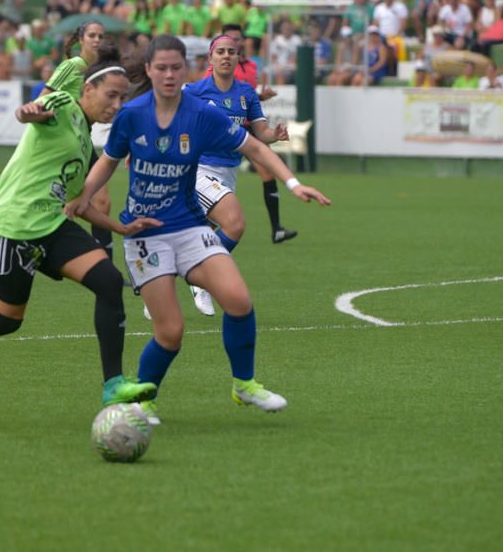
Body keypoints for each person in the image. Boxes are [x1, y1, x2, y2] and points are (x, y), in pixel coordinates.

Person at [65, 35, 331, 425]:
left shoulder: (201, 114)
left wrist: (293, 184)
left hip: (190, 227)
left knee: (238, 300)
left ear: (186, 71)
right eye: (162, 68)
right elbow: (107, 161)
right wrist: (82, 197)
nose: (170, 75)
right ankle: (144, 402)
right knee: (170, 333)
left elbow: (255, 149)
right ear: (150, 71)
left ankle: (244, 384)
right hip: (145, 233)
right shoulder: (132, 114)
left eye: (176, 68)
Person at [0, 60, 161, 407]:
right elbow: (34, 113)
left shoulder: (86, 144)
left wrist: (120, 227)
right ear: (88, 90)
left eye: (122, 98)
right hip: (9, 226)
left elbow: (78, 204)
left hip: (51, 225)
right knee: (6, 319)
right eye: (111, 96)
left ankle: (113, 383)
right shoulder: (63, 107)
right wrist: (29, 111)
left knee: (108, 281)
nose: (116, 105)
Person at [183, 34, 291, 316]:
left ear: (238, 58)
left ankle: (161, 286)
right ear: (210, 58)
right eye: (220, 51)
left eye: (232, 51)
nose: (226, 55)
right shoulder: (194, 92)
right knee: (235, 223)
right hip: (198, 170)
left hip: (228, 174)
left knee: (187, 235)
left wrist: (274, 136)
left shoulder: (246, 93)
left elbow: (260, 133)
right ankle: (202, 280)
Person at [43, 20, 118, 262]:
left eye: (101, 36)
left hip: (82, 140)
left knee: (100, 201)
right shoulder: (72, 65)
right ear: (81, 39)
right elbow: (44, 98)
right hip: (68, 141)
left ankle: (102, 261)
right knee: (91, 200)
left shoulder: (100, 70)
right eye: (92, 35)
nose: (97, 40)